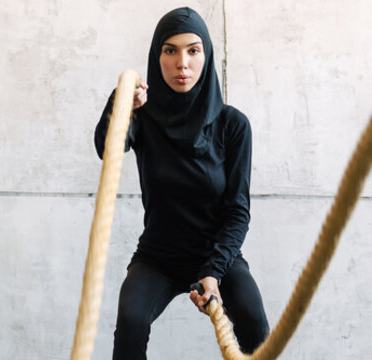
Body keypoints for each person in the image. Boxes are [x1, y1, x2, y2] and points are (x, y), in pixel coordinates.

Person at [93, 7, 270, 359]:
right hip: (159, 255)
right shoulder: (141, 118)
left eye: (193, 50)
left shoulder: (233, 126)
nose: (182, 63)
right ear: (156, 56)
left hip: (217, 253)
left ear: (207, 56)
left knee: (257, 328)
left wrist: (214, 272)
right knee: (130, 321)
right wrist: (120, 104)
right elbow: (106, 148)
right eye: (170, 50)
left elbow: (238, 212)